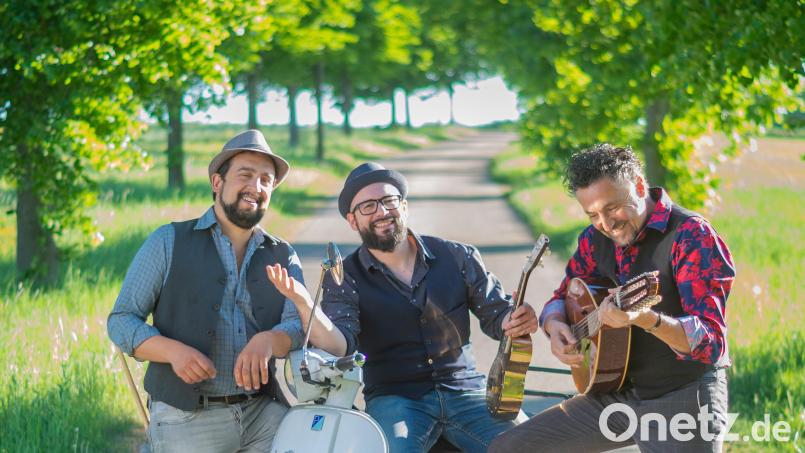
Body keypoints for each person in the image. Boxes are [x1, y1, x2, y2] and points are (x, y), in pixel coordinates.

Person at [269, 162, 539, 453]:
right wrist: (303, 301)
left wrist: (515, 320)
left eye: (388, 201)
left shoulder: (458, 256)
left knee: (532, 446)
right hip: (394, 398)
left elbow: (497, 315)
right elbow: (340, 345)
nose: (382, 212)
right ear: (352, 220)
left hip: (466, 390)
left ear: (404, 206)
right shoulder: (344, 277)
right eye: (368, 206)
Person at [489, 144, 735, 452]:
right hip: (616, 391)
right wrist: (554, 326)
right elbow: (562, 295)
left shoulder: (691, 236)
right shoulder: (593, 239)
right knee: (509, 448)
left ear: (640, 185)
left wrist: (648, 319)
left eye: (612, 208)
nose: (606, 224)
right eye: (593, 214)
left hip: (682, 395)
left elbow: (711, 342)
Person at [108, 129, 320, 453]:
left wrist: (268, 341)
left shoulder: (283, 253)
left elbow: (297, 324)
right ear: (217, 183)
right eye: (245, 175)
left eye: (266, 180)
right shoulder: (167, 241)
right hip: (185, 415)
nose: (256, 187)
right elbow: (121, 320)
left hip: (262, 411)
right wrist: (172, 352)